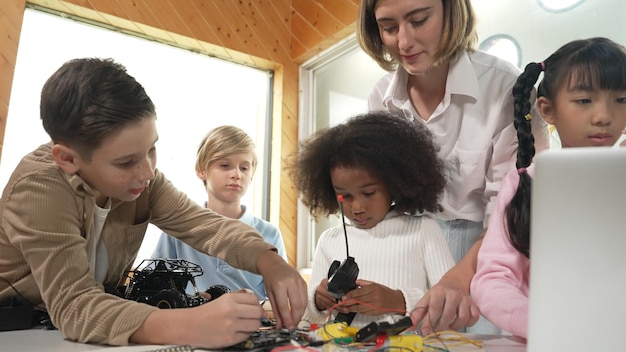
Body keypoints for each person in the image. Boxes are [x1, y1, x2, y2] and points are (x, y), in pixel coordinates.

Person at [0, 58, 306, 348]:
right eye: (125, 162)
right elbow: (75, 306)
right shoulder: (38, 189)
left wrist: (269, 261)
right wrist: (191, 324)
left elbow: (205, 226)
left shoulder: (144, 179)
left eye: (152, 149)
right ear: (67, 159)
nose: (148, 172)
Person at [356, 0, 549, 333]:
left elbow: (515, 209)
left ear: (452, 12)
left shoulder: (504, 88)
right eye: (389, 28)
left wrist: (460, 277)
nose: (403, 42)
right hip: (409, 248)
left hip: (488, 254)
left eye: (419, 20)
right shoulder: (381, 99)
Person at [470, 37, 626, 338]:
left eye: (621, 100)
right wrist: (546, 325)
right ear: (547, 110)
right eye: (584, 100)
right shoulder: (527, 181)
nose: (604, 116)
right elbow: (492, 279)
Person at [288, 111, 456, 328]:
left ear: (394, 183)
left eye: (368, 193)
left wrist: (399, 301)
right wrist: (318, 301)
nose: (357, 207)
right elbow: (311, 320)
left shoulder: (423, 230)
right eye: (345, 196)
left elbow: (451, 306)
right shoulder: (330, 240)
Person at [151, 125, 287, 300]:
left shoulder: (270, 234)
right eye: (225, 165)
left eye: (244, 168)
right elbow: (155, 290)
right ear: (201, 170)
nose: (236, 174)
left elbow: (279, 301)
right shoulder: (176, 231)